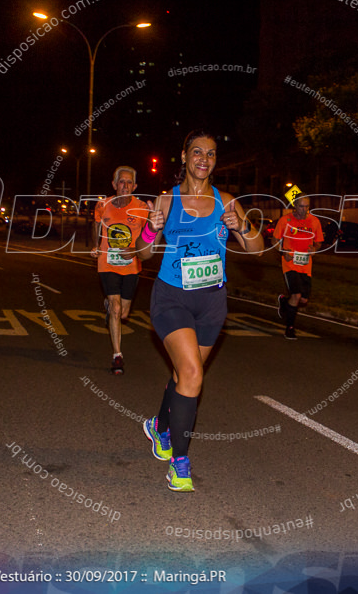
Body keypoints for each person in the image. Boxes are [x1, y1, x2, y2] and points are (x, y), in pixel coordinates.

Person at [138, 130, 264, 491]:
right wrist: (150, 230)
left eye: (210, 154)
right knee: (192, 374)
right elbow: (143, 254)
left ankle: (159, 427)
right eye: (197, 152)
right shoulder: (166, 201)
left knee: (184, 377)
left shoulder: (227, 202)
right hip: (171, 298)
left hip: (211, 303)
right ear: (184, 156)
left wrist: (243, 225)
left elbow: (256, 250)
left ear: (215, 161)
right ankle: (180, 464)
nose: (203, 159)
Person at [91, 166, 149, 375]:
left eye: (129, 182)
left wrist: (136, 250)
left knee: (123, 313)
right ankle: (117, 355)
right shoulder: (103, 205)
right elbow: (96, 225)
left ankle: (110, 308)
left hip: (131, 265)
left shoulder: (142, 208)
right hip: (107, 262)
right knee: (116, 308)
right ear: (114, 185)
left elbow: (149, 237)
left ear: (135, 186)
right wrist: (96, 245)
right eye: (121, 182)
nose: (125, 186)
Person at [274, 196, 323, 340]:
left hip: (305, 264)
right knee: (296, 296)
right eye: (302, 206)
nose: (305, 210)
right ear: (295, 206)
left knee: (303, 300)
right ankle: (289, 328)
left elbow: (319, 242)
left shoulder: (314, 221)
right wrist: (283, 251)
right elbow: (274, 240)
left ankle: (284, 302)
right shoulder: (285, 220)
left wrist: (314, 248)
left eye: (307, 206)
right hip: (289, 263)